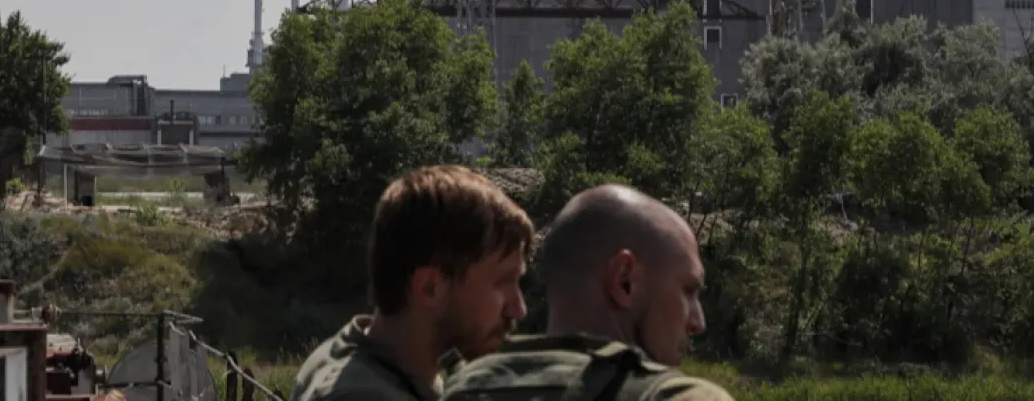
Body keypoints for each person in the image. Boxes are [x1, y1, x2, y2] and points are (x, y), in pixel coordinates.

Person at [441, 184, 734, 401]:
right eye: (688, 290)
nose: (698, 322)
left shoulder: (457, 390)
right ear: (624, 281)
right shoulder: (683, 397)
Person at [291, 165, 535, 401]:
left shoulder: (384, 361)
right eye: (502, 282)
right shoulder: (361, 395)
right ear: (430, 287)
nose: (518, 308)